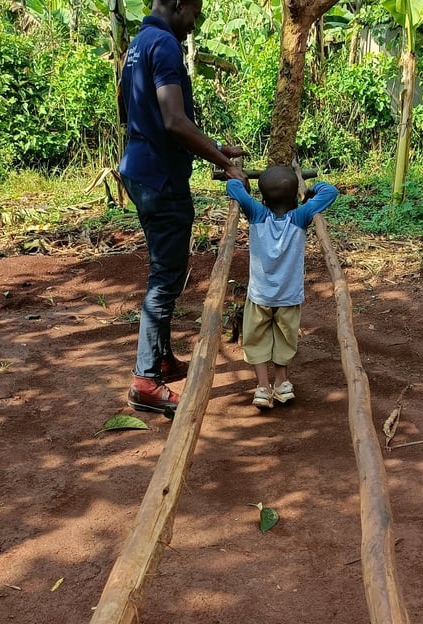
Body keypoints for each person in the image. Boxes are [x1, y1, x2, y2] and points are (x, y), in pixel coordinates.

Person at [119, 0, 249, 414]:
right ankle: (145, 381)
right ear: (178, 4)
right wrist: (224, 162)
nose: (195, 22)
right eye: (195, 11)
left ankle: (159, 358)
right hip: (161, 180)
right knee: (166, 278)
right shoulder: (165, 44)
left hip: (139, 169)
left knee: (164, 268)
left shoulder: (138, 42)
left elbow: (130, 110)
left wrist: (216, 147)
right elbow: (174, 121)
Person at [226, 166, 338, 409]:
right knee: (285, 339)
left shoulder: (256, 213)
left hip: (259, 296)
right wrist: (311, 190)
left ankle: (262, 387)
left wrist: (243, 183)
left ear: (263, 199)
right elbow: (330, 191)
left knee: (256, 339)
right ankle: (282, 383)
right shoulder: (301, 216)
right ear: (295, 197)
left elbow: (232, 186)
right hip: (289, 296)